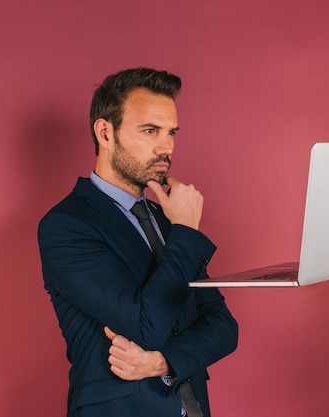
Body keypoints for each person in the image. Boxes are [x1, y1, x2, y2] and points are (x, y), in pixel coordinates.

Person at [38, 67, 238, 417]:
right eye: (150, 131)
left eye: (171, 132)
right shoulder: (66, 227)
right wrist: (187, 233)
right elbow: (146, 325)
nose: (167, 147)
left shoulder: (168, 220)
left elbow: (223, 326)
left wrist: (162, 363)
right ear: (105, 132)